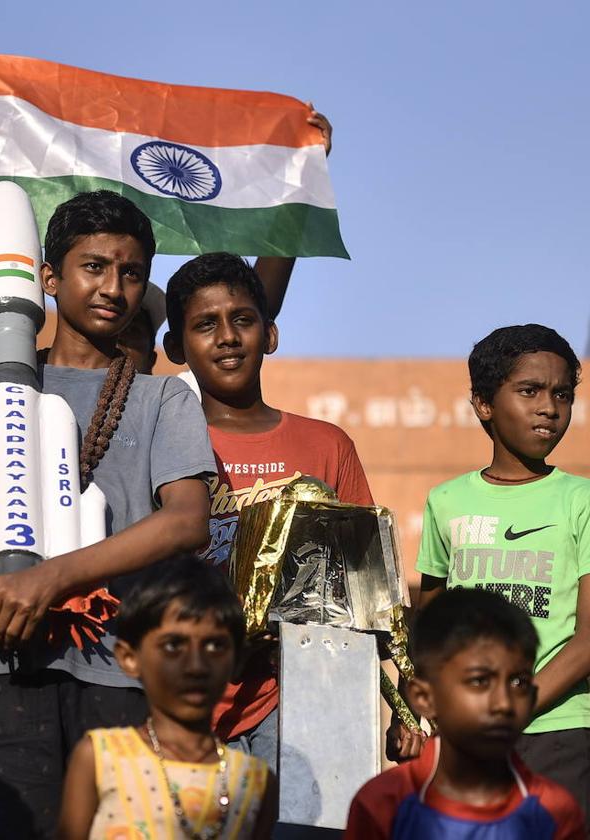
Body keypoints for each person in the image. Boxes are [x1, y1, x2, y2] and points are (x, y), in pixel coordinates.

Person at [0, 70, 217, 839]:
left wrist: (53, 576)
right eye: (94, 267)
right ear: (48, 278)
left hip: (123, 672)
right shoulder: (9, 373)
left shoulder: (166, 398)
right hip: (8, 668)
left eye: (132, 273)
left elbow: (186, 523)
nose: (114, 287)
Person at [160, 252, 416, 771]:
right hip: (193, 699)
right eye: (205, 325)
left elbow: (371, 589)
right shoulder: (164, 443)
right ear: (175, 347)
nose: (228, 337)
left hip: (309, 698)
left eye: (244, 320)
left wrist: (404, 701)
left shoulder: (327, 444)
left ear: (270, 335)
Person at [0, 62, 331, 380]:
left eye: (134, 335)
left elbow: (259, 302)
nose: (112, 295)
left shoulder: (169, 405)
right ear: (50, 278)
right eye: (95, 267)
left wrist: (298, 181)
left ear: (158, 354)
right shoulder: (20, 371)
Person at [416, 324, 590, 817]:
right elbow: (430, 625)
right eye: (529, 390)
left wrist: (514, 706)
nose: (549, 408)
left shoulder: (582, 500)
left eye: (562, 394)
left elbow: (588, 638)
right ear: (484, 404)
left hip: (558, 731)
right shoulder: (446, 501)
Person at [58, 561, 276, 839]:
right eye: (173, 646)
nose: (196, 664)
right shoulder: (100, 759)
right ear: (130, 658)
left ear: (236, 658)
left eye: (215, 645)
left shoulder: (255, 782)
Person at [345, 588, 585, 838]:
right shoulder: (382, 806)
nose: (503, 702)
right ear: (424, 698)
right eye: (479, 682)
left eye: (518, 683)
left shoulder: (555, 812)